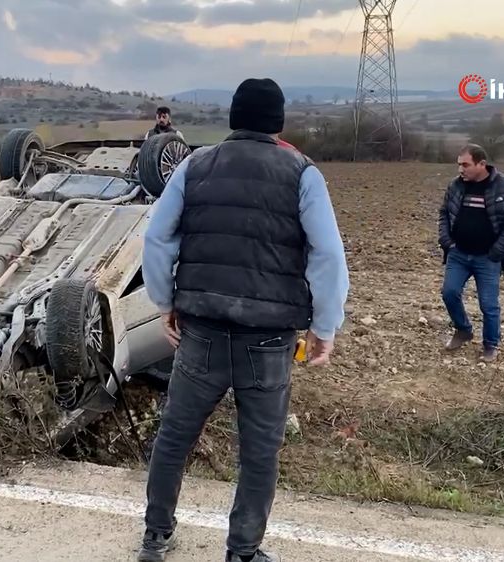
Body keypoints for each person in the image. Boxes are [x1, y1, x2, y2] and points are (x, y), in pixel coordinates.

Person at [137, 78, 350, 562]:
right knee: (258, 451)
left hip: (202, 331)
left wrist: (164, 300)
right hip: (268, 340)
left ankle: (156, 537)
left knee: (175, 436)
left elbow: (157, 238)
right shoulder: (303, 173)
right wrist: (324, 327)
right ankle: (242, 551)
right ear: (279, 122)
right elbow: (328, 254)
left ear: (233, 117)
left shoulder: (194, 164)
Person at [437, 143, 504, 362]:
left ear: (481, 164)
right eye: (459, 165)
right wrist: (447, 241)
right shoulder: (455, 186)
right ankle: (463, 330)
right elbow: (444, 214)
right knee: (449, 293)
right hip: (459, 254)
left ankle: (490, 345)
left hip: (488, 257)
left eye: (465, 165)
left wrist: (497, 252)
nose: (460, 170)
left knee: (489, 304)